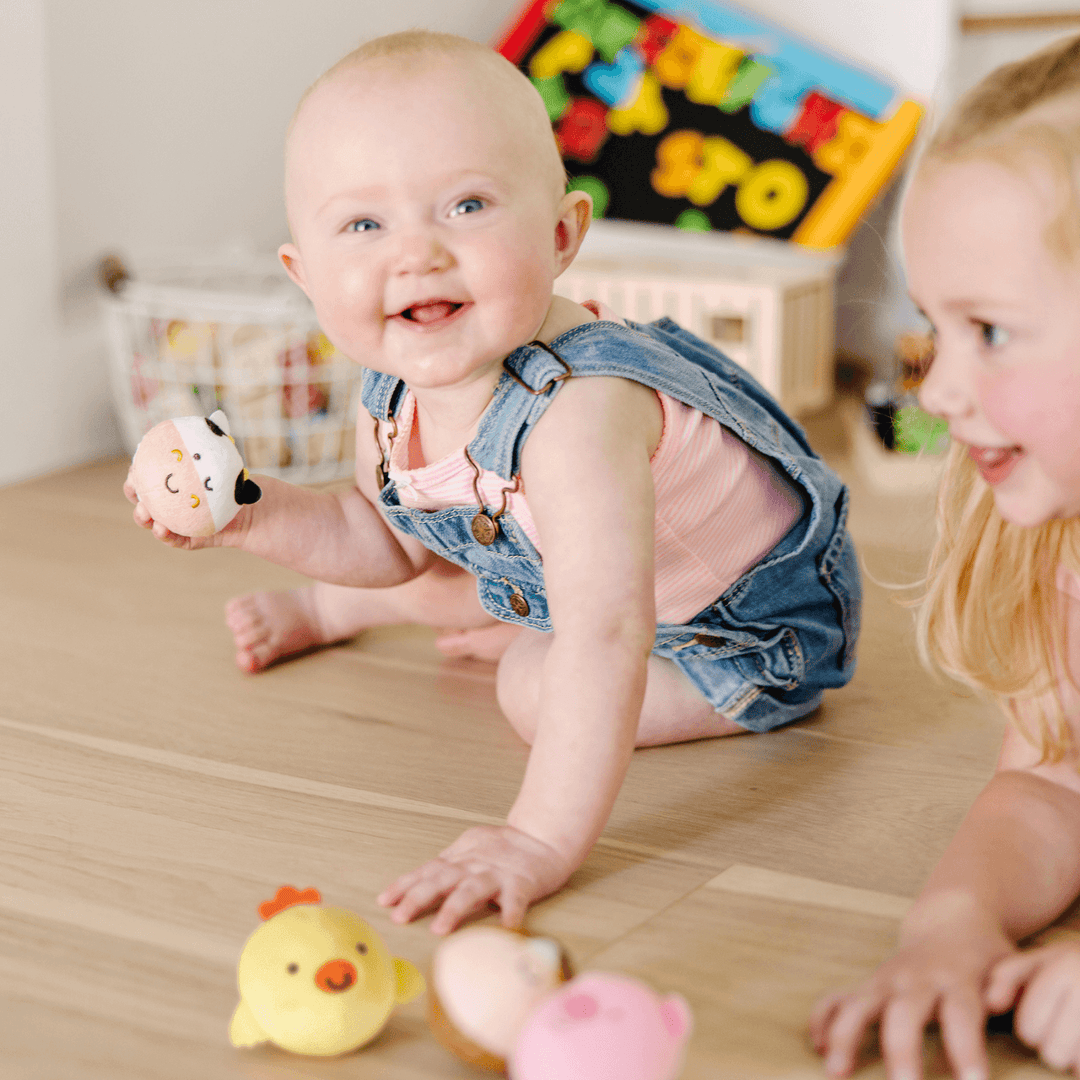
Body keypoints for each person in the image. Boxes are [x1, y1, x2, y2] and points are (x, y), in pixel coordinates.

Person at [125, 30, 860, 935]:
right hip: (591, 573)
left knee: (527, 681)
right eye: (364, 224)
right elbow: (382, 537)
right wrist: (246, 512)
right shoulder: (396, 385)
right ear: (304, 274)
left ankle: (461, 612)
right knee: (456, 558)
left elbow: (606, 634)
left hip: (739, 631)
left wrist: (538, 840)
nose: (417, 254)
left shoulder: (580, 416)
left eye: (467, 205)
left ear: (560, 236)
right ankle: (351, 611)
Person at [810, 34, 1080, 1080]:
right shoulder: (1056, 538)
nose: (937, 392)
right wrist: (954, 921)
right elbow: (1055, 785)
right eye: (935, 328)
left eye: (991, 332)